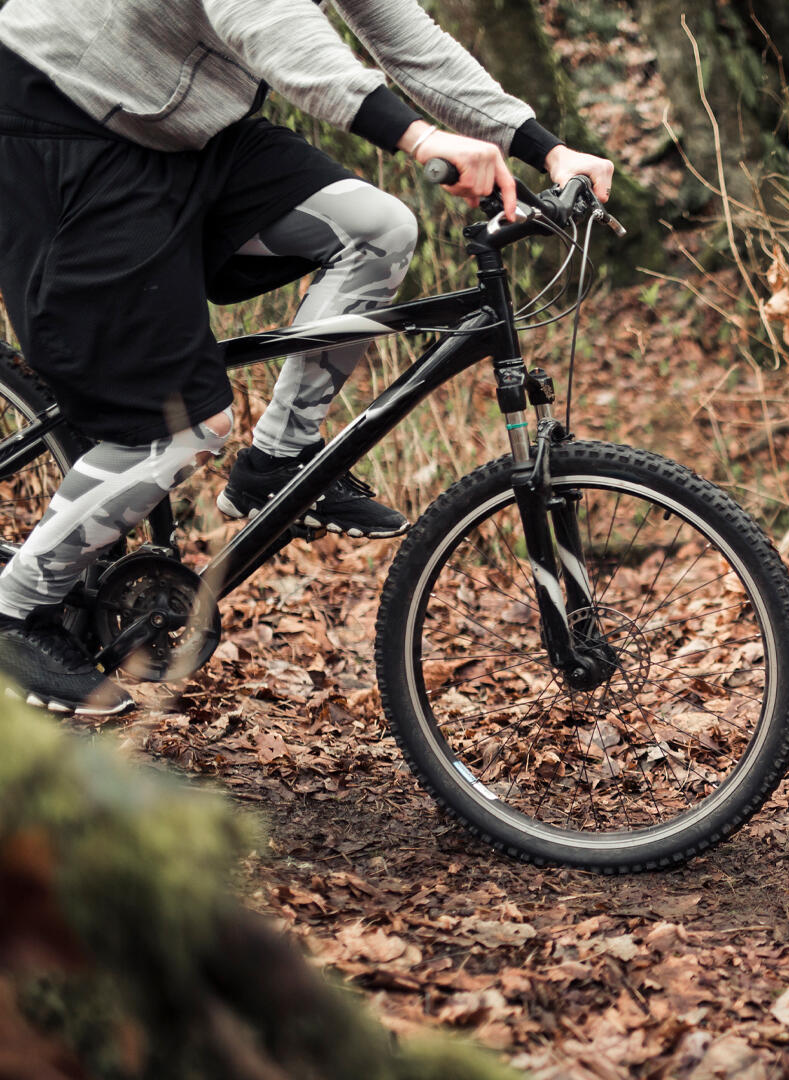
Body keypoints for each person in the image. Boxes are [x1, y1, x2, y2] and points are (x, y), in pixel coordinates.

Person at [0, 0, 616, 716]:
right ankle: (15, 613)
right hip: (65, 120)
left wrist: (545, 148)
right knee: (180, 427)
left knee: (377, 230)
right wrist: (417, 136)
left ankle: (278, 461)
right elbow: (270, 26)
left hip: (184, 127)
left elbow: (404, 35)